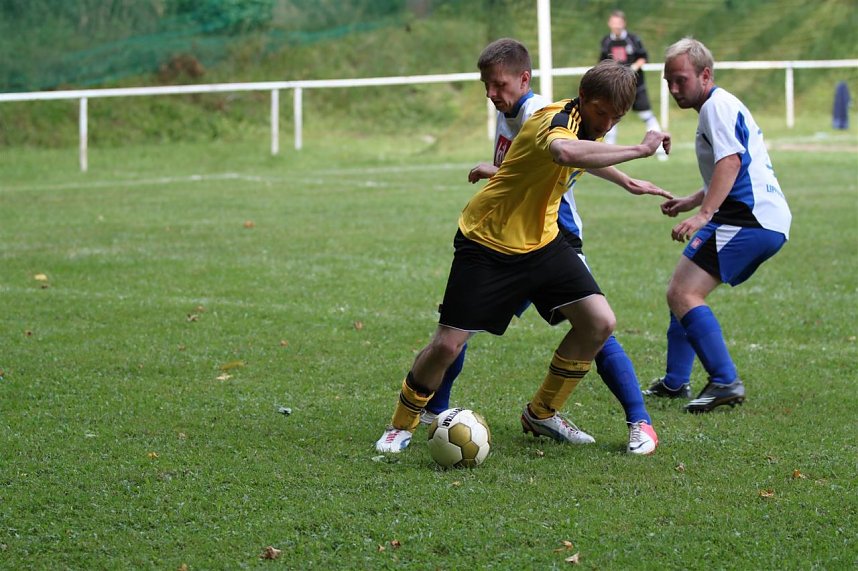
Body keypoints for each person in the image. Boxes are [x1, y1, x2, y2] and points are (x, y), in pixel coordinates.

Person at [375, 57, 672, 456]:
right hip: (487, 240)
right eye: (601, 113)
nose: (605, 124)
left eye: (615, 117)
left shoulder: (589, 122)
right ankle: (401, 424)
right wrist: (637, 150)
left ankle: (542, 412)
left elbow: (587, 149)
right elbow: (565, 153)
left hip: (542, 243)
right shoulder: (555, 119)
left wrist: (626, 181)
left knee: (599, 323)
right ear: (582, 98)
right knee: (447, 345)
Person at [644, 38, 791, 412]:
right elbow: (732, 166)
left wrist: (703, 214)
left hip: (748, 218)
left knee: (684, 294)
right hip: (749, 214)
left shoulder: (715, 107)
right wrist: (692, 201)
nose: (674, 89)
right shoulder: (719, 105)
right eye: (668, 82)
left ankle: (725, 381)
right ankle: (676, 381)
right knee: (680, 287)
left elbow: (731, 163)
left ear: (705, 75)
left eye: (681, 80)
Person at [599, 10, 667, 160]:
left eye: (619, 22)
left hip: (636, 85)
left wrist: (633, 69)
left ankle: (660, 149)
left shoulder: (633, 39)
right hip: (615, 87)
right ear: (609, 23)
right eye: (613, 22)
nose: (616, 26)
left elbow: (643, 57)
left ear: (624, 23)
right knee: (611, 116)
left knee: (646, 115)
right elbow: (602, 62)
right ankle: (608, 152)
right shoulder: (606, 42)